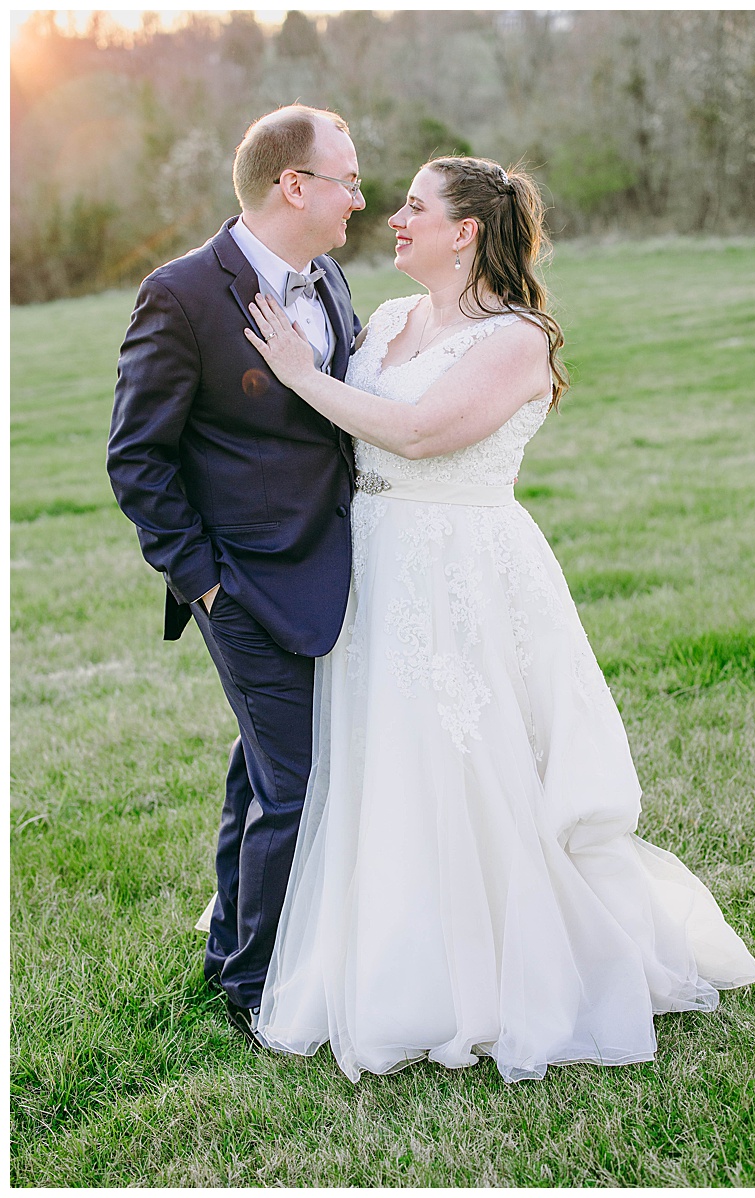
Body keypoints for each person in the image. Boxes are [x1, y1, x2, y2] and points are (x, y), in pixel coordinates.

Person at [242, 155, 755, 1082]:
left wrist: (295, 372)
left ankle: (495, 971)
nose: (394, 218)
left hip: (461, 571)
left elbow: (418, 432)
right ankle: (386, 948)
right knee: (385, 758)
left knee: (470, 761)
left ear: (466, 231)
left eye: (414, 207)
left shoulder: (517, 339)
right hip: (376, 564)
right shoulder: (394, 319)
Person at [108, 105, 366, 1045]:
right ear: (293, 185)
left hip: (329, 562)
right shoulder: (179, 294)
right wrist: (202, 580)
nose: (360, 197)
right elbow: (137, 457)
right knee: (296, 781)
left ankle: (230, 943)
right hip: (243, 582)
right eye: (346, 178)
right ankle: (256, 986)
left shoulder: (329, 276)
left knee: (259, 769)